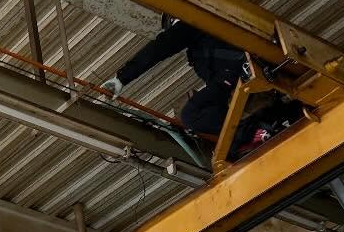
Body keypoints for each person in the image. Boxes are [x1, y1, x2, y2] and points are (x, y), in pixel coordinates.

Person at [102, 14, 301, 159]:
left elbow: (160, 48)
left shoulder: (193, 23)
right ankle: (275, 120)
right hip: (232, 76)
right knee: (223, 138)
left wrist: (122, 78)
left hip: (236, 70)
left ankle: (254, 132)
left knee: (192, 114)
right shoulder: (201, 46)